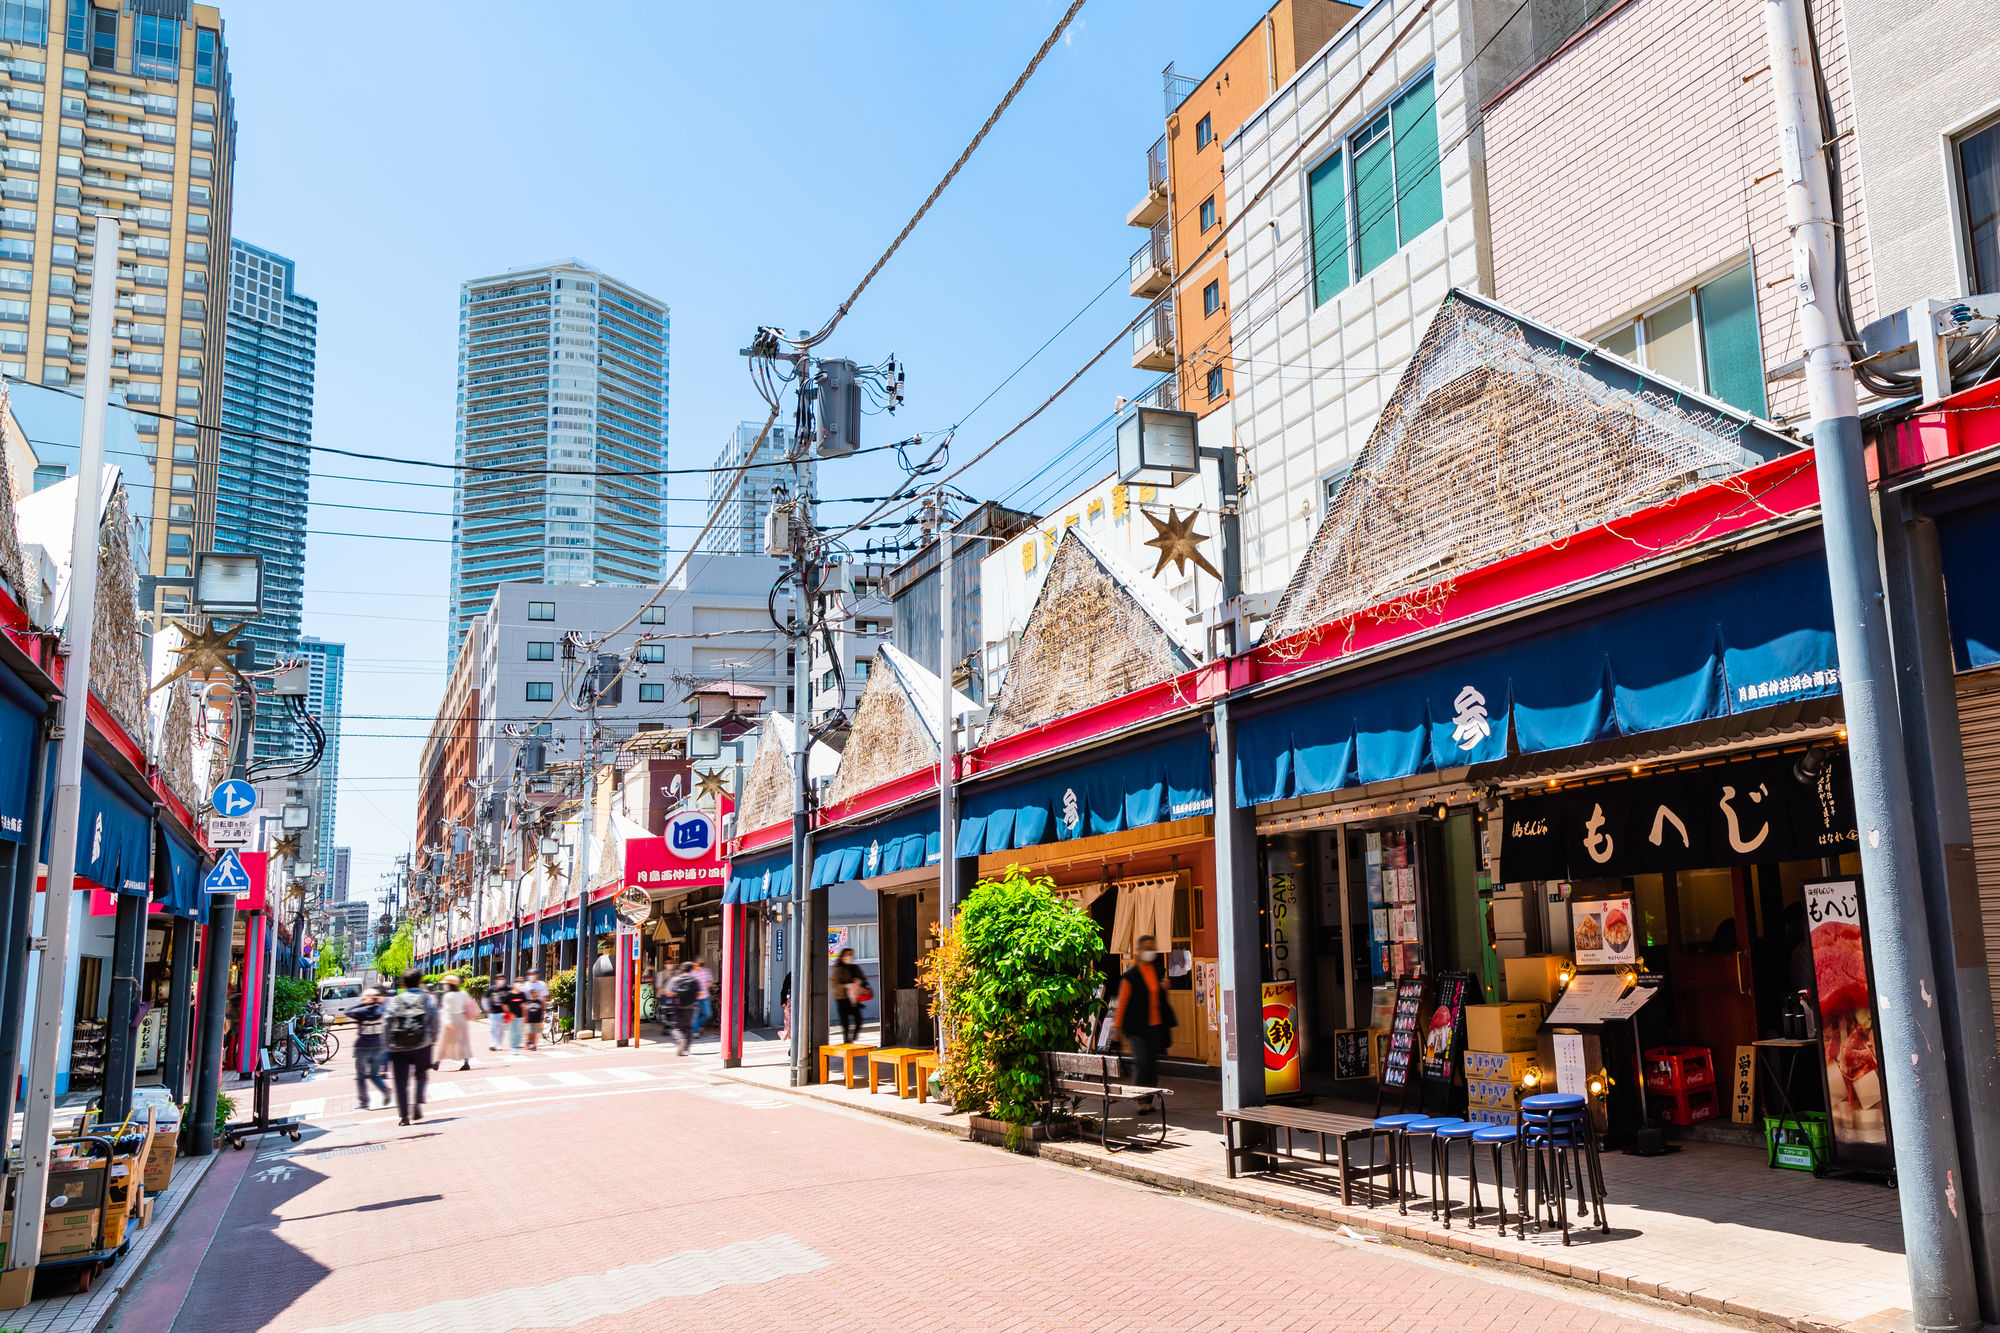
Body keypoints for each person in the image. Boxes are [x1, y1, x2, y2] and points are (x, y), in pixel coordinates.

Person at [1113, 935, 1177, 1087]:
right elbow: (1122, 1002)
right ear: (1139, 951)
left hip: (1155, 1025)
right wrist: (1117, 1027)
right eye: (1147, 948)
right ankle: (1140, 1098)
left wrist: (1166, 986)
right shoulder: (1130, 977)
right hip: (1135, 1026)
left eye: (1152, 948)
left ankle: (1149, 1097)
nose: (1150, 951)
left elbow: (1161, 995)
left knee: (1152, 1062)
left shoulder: (1158, 972)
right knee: (1141, 1060)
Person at [383, 970, 439, 1126]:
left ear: (402, 984)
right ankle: (417, 1103)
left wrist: (387, 1045)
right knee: (421, 1075)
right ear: (420, 982)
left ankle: (404, 1117)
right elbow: (435, 1022)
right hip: (422, 1044)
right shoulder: (429, 999)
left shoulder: (395, 1000)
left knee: (401, 1082)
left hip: (398, 1046)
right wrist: (432, 1039)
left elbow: (386, 1022)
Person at [349, 987, 390, 1110]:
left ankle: (364, 1102)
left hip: (363, 1047)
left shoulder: (362, 1011)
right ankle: (385, 1090)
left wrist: (363, 1002)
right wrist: (377, 1001)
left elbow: (348, 1011)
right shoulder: (382, 1009)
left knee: (361, 1076)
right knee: (373, 1074)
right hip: (379, 1046)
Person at [435, 975, 475, 1072]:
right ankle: (466, 1062)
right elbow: (468, 1003)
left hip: (452, 1018)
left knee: (445, 1040)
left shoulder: (447, 996)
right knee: (463, 1040)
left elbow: (447, 1010)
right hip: (462, 1018)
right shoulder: (463, 993)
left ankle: (437, 1061)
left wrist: (448, 1022)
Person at [831, 948, 867, 1045]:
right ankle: (846, 1041)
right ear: (842, 957)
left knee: (858, 1021)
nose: (850, 957)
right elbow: (835, 985)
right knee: (845, 1022)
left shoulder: (855, 968)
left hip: (854, 999)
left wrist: (860, 982)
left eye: (851, 954)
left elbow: (863, 979)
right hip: (842, 999)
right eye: (847, 954)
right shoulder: (838, 970)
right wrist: (846, 986)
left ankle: (853, 1038)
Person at [666, 961, 702, 1056]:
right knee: (688, 1028)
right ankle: (686, 1049)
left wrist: (676, 995)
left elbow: (669, 993)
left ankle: (680, 1040)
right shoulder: (694, 980)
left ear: (681, 969)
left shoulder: (675, 979)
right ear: (691, 970)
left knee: (676, 1027)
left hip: (678, 1007)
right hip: (690, 1007)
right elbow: (700, 994)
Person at [521, 971, 550, 1050]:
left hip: (538, 1011)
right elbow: (523, 998)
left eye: (533, 974)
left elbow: (544, 997)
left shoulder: (541, 984)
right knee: (529, 1030)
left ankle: (533, 1044)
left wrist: (543, 1009)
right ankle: (528, 1042)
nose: (532, 976)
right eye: (530, 974)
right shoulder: (526, 985)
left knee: (535, 1031)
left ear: (537, 975)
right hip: (529, 1012)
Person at [486, 976, 515, 1050]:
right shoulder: (492, 989)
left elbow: (514, 994)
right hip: (493, 1011)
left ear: (504, 980)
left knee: (501, 1029)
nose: (500, 981)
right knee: (493, 1027)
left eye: (502, 979)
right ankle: (493, 1043)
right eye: (498, 979)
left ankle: (499, 1044)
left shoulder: (508, 988)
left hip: (503, 1012)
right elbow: (485, 998)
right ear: (495, 980)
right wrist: (486, 1008)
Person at [691, 958, 715, 1033]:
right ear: (694, 963)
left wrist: (708, 985)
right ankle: (695, 1031)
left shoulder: (706, 971)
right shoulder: (691, 973)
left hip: (705, 997)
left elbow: (710, 982)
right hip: (695, 998)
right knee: (695, 1015)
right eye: (698, 961)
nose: (700, 963)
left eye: (701, 961)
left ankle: (696, 1026)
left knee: (708, 1014)